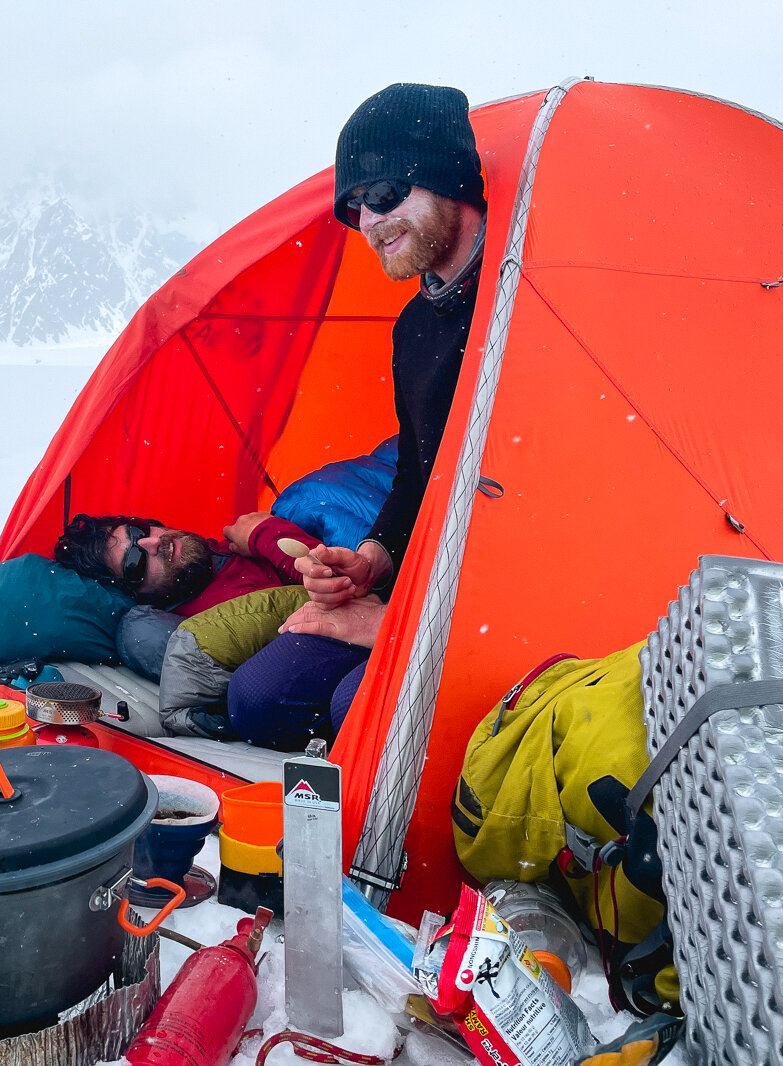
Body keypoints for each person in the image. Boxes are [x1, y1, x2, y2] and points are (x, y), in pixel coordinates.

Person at [229, 83, 488, 750]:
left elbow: (547, 509)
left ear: (448, 179)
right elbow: (416, 473)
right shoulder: (415, 328)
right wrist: (372, 560)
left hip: (504, 593)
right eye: (353, 207)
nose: (369, 221)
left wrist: (401, 623)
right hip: (424, 577)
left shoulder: (525, 299)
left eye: (384, 194)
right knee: (259, 698)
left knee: (363, 712)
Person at [54, 511, 318, 681]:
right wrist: (266, 534)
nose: (152, 543)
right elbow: (339, 596)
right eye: (134, 562)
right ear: (137, 594)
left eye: (138, 531)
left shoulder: (227, 548)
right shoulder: (215, 616)